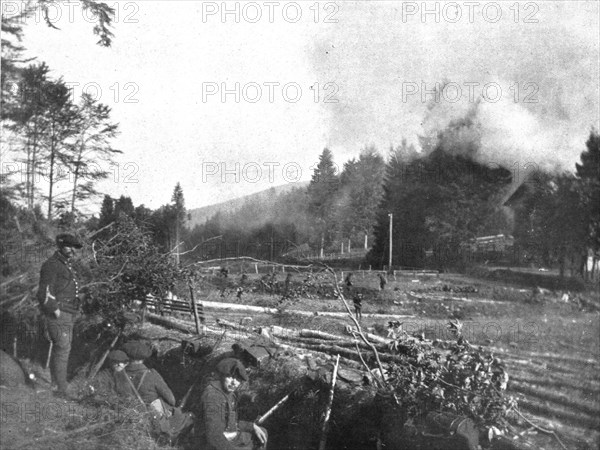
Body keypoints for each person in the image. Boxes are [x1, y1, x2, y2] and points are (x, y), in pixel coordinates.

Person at [37, 233, 83, 398]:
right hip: (59, 313)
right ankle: (62, 389)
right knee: (63, 348)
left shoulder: (65, 265)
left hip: (68, 313)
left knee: (63, 348)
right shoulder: (52, 265)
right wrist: (54, 309)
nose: (72, 250)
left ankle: (57, 385)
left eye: (74, 247)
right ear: (60, 246)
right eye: (69, 246)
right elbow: (44, 292)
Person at [122, 341, 194, 439]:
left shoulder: (118, 374)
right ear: (143, 358)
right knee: (189, 418)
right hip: (153, 419)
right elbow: (171, 400)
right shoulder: (151, 374)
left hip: (130, 416)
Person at [198, 358, 268, 450]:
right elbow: (213, 436)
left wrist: (252, 426)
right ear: (221, 375)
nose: (234, 382)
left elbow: (231, 423)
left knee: (262, 432)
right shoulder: (212, 396)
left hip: (227, 436)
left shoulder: (228, 393)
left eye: (238, 379)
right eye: (231, 377)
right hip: (213, 444)